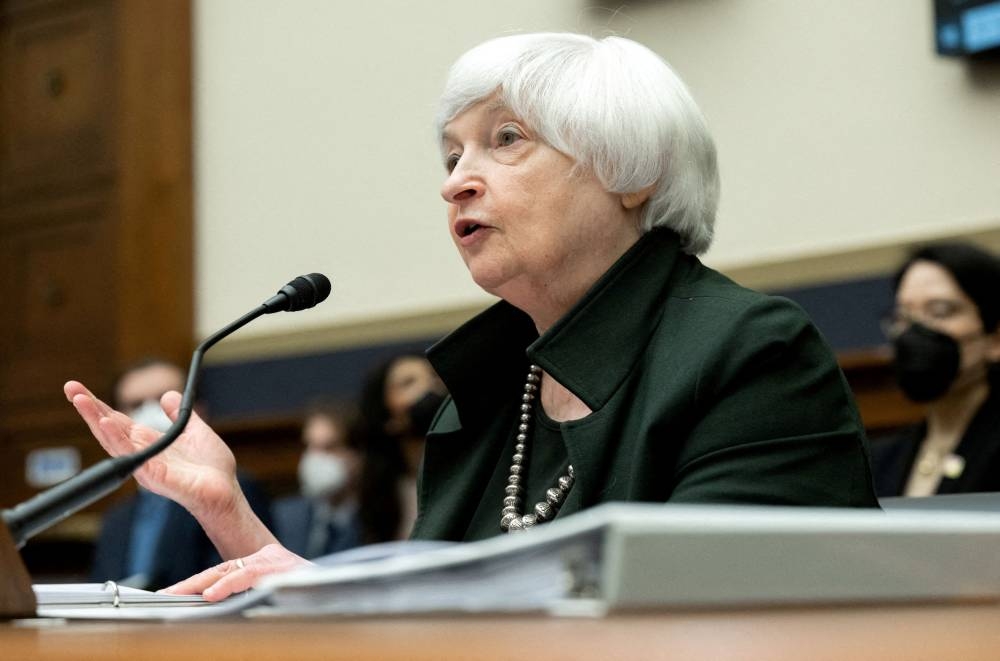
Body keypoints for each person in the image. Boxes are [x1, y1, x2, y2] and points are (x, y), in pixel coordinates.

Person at [64, 32, 877, 601]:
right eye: (452, 155)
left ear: (634, 173)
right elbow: (414, 623)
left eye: (505, 140)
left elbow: (702, 617)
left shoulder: (752, 353)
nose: (456, 180)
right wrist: (230, 516)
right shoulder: (492, 390)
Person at [89, 358, 272, 589]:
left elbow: (247, 585)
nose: (150, 412)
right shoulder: (116, 519)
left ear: (198, 410)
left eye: (163, 400)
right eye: (136, 405)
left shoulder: (235, 491)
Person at [871, 243, 1000, 497]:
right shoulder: (882, 460)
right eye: (903, 316)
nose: (915, 332)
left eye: (940, 312)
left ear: (995, 338)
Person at [355, 353, 447, 544]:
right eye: (408, 383)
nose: (429, 386)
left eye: (433, 377)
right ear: (387, 418)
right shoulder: (380, 489)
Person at [272, 400, 362, 558]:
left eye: (329, 447)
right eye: (310, 446)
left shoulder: (380, 517)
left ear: (357, 454)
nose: (315, 458)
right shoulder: (284, 517)